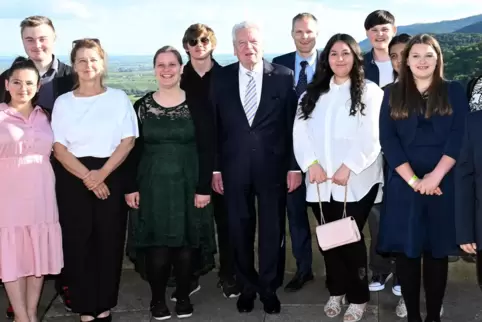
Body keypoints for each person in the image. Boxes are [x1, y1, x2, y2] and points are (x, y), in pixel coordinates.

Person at [378, 34, 469, 322]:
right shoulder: (391, 94)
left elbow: (459, 137)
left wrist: (436, 177)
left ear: (438, 59)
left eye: (428, 55)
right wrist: (415, 181)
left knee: (436, 253)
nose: (422, 61)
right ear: (406, 61)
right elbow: (388, 141)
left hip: (444, 183)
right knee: (407, 253)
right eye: (415, 55)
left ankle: (433, 316)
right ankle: (414, 317)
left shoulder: (454, 91)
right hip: (405, 185)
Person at [293, 33, 384, 322]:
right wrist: (311, 164)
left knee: (352, 239)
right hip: (320, 182)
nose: (340, 59)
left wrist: (349, 166)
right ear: (326, 59)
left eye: (346, 53)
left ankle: (358, 297)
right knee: (329, 239)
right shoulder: (311, 94)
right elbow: (300, 133)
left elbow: (372, 136)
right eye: (334, 54)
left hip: (357, 181)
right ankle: (336, 290)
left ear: (356, 57)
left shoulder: (370, 92)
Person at [210, 21, 299, 315]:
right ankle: (247, 287)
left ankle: (269, 288)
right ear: (234, 48)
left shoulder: (284, 77)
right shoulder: (220, 78)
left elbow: (292, 128)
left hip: (273, 169)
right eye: (242, 43)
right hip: (233, 169)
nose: (248, 48)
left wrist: (293, 167)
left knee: (273, 231)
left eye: (253, 42)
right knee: (239, 229)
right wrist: (215, 169)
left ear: (263, 44)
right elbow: (214, 127)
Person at [124, 45, 217, 320]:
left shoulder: (198, 104)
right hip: (152, 185)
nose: (166, 70)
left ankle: (184, 296)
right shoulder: (140, 106)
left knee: (187, 245)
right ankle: (156, 300)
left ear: (180, 68)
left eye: (172, 64)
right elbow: (132, 149)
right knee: (157, 247)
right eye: (161, 65)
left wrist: (203, 188)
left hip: (189, 184)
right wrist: (131, 186)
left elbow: (207, 148)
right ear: (154, 70)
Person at [51, 38, 138, 322]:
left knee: (109, 242)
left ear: (102, 64)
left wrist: (101, 174)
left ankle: (104, 305)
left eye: (93, 59)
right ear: (74, 66)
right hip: (72, 176)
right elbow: (59, 148)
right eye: (81, 60)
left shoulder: (118, 98)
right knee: (77, 243)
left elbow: (127, 142)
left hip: (111, 173)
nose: (88, 65)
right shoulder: (63, 102)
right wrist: (89, 177)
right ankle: (84, 307)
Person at [0, 15, 74, 319]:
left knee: (38, 253)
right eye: (29, 39)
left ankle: (30, 311)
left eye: (42, 37)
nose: (37, 44)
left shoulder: (69, 81)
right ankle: (21, 314)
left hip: (50, 186)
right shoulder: (4, 88)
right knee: (13, 253)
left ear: (53, 38)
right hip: (10, 193)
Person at [179, 23, 240, 299]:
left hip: (225, 161)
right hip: (189, 162)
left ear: (213, 43)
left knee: (227, 222)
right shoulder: (179, 78)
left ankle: (229, 274)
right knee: (190, 222)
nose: (198, 44)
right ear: (186, 46)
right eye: (193, 41)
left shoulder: (228, 76)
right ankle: (190, 274)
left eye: (204, 40)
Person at [272, 12, 321, 292]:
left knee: (328, 217)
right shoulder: (278, 65)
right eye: (299, 32)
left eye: (309, 32)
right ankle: (303, 270)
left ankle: (341, 273)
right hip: (286, 156)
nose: (304, 37)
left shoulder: (333, 61)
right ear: (292, 34)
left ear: (317, 33)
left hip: (324, 155)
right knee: (295, 216)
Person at [362, 10, 400, 294]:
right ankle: (379, 268)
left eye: (384, 29)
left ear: (393, 30)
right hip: (372, 150)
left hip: (404, 149)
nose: (379, 34)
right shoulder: (360, 66)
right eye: (374, 29)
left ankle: (402, 272)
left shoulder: (409, 62)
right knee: (375, 212)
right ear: (367, 34)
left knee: (404, 210)